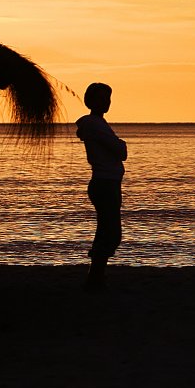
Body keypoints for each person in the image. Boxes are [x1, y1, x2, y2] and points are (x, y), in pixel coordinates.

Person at [76, 82, 127, 290]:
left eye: (107, 99)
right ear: (90, 101)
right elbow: (120, 150)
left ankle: (96, 276)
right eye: (101, 98)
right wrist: (121, 144)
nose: (105, 102)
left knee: (108, 231)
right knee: (111, 232)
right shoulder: (94, 124)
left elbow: (117, 149)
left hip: (109, 183)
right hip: (104, 183)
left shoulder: (98, 124)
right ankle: (95, 277)